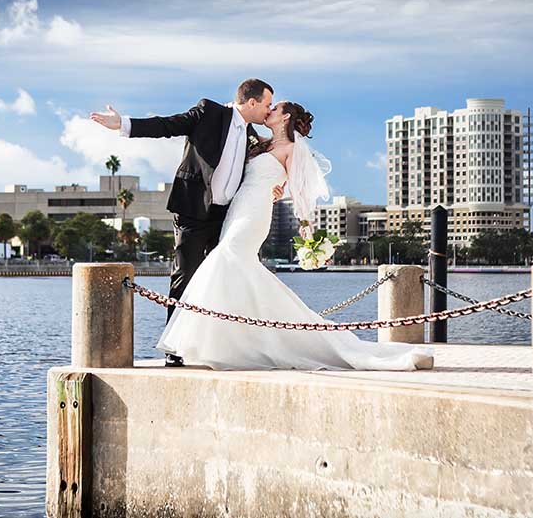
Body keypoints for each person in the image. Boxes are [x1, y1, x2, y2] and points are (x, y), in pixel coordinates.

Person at [154, 101, 434, 371]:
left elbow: (300, 189)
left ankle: (228, 340)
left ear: (285, 117)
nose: (269, 110)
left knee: (226, 259)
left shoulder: (291, 149)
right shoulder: (260, 143)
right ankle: (236, 341)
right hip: (236, 211)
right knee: (238, 271)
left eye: (275, 108)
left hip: (255, 215)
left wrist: (304, 223)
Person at [90, 79, 284, 367]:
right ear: (252, 102)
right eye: (267, 104)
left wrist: (273, 189)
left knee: (224, 279)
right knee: (185, 275)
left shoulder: (253, 137)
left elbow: (257, 175)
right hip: (193, 211)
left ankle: (222, 345)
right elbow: (167, 126)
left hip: (227, 217)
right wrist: (123, 124)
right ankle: (175, 346)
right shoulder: (209, 112)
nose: (268, 110)